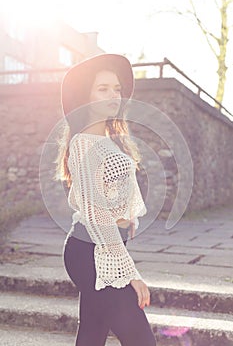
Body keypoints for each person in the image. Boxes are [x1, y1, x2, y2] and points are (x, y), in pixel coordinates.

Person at [55, 53, 156, 346]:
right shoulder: (84, 144)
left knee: (92, 334)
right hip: (91, 251)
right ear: (85, 97)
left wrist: (129, 218)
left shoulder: (106, 140)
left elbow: (111, 194)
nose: (114, 95)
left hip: (103, 246)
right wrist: (132, 273)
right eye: (103, 89)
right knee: (141, 340)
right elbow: (96, 215)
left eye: (117, 89)